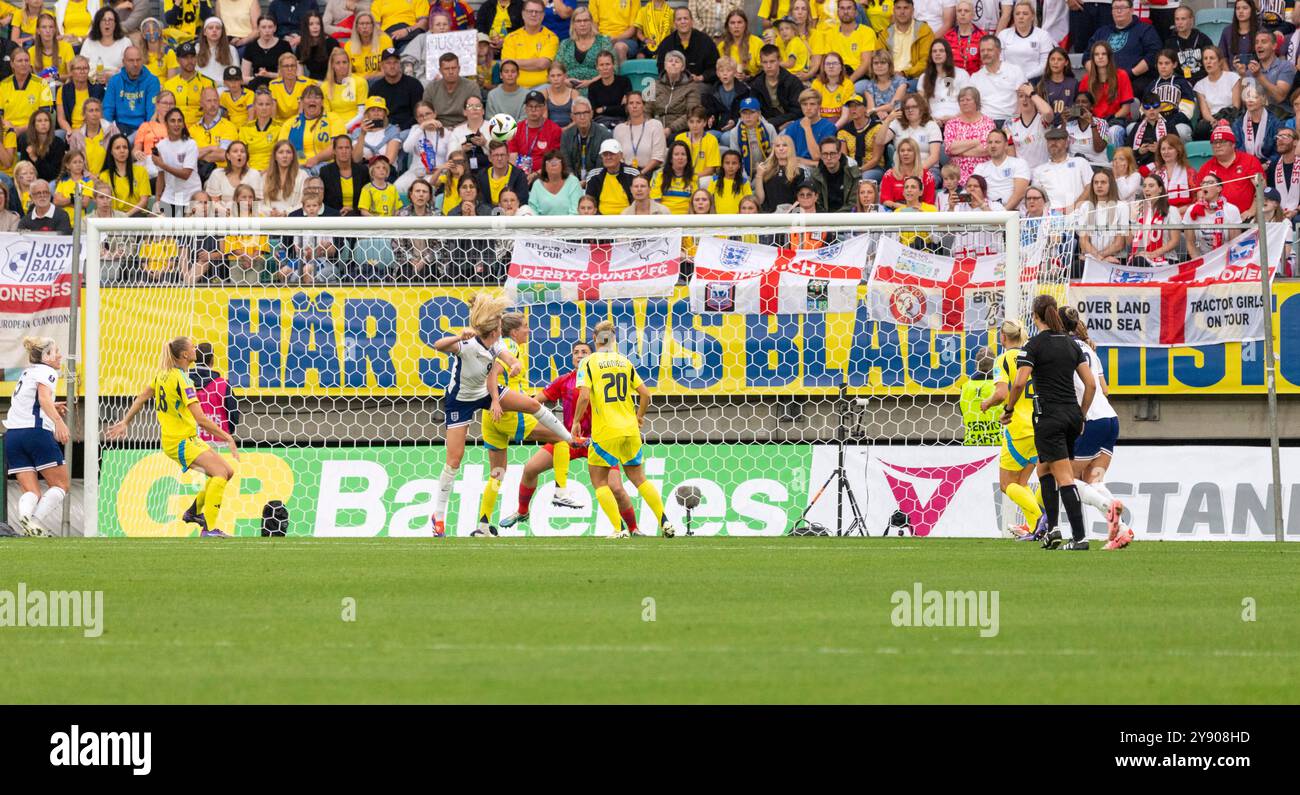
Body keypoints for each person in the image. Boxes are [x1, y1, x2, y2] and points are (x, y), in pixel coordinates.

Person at [429, 293, 571, 538]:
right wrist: (458, 336)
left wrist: (514, 366)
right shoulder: (468, 344)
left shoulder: (497, 344)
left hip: (485, 393)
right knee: (454, 459)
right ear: (494, 330)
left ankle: (570, 439)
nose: (501, 329)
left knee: (530, 404)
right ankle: (438, 517)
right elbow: (438, 345)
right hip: (460, 401)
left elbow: (509, 359)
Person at [105, 337, 239, 537]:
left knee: (227, 471)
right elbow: (200, 419)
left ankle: (193, 512)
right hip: (181, 442)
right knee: (219, 474)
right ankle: (209, 529)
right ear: (185, 354)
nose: (195, 349)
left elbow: (141, 398)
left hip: (186, 439)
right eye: (192, 346)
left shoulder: (162, 376)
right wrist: (227, 437)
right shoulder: (183, 380)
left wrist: (125, 421)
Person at [500, 340, 638, 531]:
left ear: (592, 357)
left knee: (616, 488)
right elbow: (535, 401)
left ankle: (633, 529)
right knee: (530, 468)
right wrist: (512, 405)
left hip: (598, 441)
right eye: (576, 352)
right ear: (572, 358)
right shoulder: (564, 381)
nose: (579, 355)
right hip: (567, 440)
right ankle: (522, 512)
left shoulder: (601, 380)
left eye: (584, 352)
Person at [1001, 294, 1095, 551]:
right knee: (1044, 469)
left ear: (1035, 316)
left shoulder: (1034, 346)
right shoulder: (1071, 344)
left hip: (1048, 417)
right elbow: (1091, 384)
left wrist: (1009, 409)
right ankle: (1052, 528)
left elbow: (1019, 382)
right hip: (1072, 416)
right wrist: (1082, 414)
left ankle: (1079, 538)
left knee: (1063, 476)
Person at [571, 320, 678, 539]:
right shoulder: (624, 361)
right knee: (640, 479)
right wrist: (639, 417)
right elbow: (646, 394)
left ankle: (618, 529)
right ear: (614, 339)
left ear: (594, 338)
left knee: (599, 481)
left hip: (606, 431)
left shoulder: (588, 363)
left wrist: (575, 422)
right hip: (630, 429)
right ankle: (664, 521)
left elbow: (583, 396)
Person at [1059, 306, 1133, 550]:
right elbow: (1106, 388)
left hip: (1089, 419)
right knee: (1093, 479)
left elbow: (1084, 386)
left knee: (1065, 478)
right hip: (1110, 419)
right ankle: (1121, 529)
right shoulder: (1089, 349)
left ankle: (1106, 507)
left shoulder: (1064, 348)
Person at [976, 321, 1039, 540]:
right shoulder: (1033, 356)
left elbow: (1002, 393)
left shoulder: (1003, 359)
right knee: (1021, 484)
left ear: (1003, 337)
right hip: (1040, 425)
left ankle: (1041, 519)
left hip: (1018, 427)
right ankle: (1036, 529)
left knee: (1007, 484)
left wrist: (987, 402)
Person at [2, 336, 71, 537]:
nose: (59, 355)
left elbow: (32, 400)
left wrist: (51, 404)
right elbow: (42, 398)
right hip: (36, 433)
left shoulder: (26, 373)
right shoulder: (47, 371)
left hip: (13, 435)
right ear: (46, 356)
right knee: (61, 485)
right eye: (56, 351)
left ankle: (27, 522)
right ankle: (35, 522)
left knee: (32, 492)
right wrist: (58, 421)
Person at [1087, 0, 1161, 96]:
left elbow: (1153, 55)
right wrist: (1098, 75)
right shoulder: (1102, 32)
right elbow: (1087, 56)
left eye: (1122, 8)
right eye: (1115, 8)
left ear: (1131, 10)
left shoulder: (1145, 30)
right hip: (1103, 79)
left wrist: (1130, 73)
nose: (1118, 11)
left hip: (1134, 79)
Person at [1199, 122, 1263, 219]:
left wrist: (1252, 210)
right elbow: (1200, 192)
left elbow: (1261, 187)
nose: (1218, 145)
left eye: (1222, 141)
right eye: (1214, 142)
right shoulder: (1206, 167)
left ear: (1233, 144)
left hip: (1245, 217)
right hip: (1215, 218)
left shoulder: (1249, 161)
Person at [810, 0, 876, 92]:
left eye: (849, 8)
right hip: (835, 76)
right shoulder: (830, 35)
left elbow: (866, 63)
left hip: (858, 77)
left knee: (855, 90)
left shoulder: (867, 32)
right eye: (842, 8)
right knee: (814, 90)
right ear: (837, 12)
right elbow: (827, 61)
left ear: (856, 12)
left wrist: (848, 82)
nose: (845, 12)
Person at [1076, 168, 1130, 264]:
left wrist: (1098, 257)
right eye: (1096, 183)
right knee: (1073, 269)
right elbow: (1083, 241)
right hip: (1091, 257)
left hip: (1114, 258)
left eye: (1103, 182)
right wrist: (1100, 259)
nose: (1099, 185)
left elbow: (1119, 243)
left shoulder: (1122, 206)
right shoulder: (1085, 206)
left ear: (1111, 185)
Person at [501, 0, 558, 89]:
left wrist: (514, 62)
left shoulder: (551, 37)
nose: (533, 14)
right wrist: (534, 63)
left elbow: (542, 64)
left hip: (542, 88)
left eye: (537, 12)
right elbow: (507, 65)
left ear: (543, 15)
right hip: (515, 87)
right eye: (530, 11)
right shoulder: (511, 37)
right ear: (523, 14)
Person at [1032, 125, 1091, 212]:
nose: (1053, 143)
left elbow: (1089, 187)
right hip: (1052, 216)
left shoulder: (1080, 162)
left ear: (1067, 143)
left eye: (1058, 140)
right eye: (1050, 140)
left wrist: (1073, 207)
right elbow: (1037, 196)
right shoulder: (1039, 170)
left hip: (1079, 211)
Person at [943, 85, 994, 183]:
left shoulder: (988, 122)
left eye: (968, 99)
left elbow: (986, 149)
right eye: (961, 100)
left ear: (976, 102)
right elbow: (949, 148)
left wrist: (959, 151)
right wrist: (975, 142)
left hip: (984, 173)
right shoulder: (952, 123)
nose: (964, 103)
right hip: (957, 175)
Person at [968, 35, 1024, 123]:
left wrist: (1016, 121)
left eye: (989, 50)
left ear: (999, 51)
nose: (985, 53)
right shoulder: (975, 77)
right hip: (985, 122)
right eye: (982, 50)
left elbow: (1023, 98)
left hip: (1011, 120)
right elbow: (972, 105)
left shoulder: (1015, 70)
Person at [1128, 172, 1181, 266]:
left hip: (1166, 259)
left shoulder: (1172, 210)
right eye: (1144, 186)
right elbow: (1129, 241)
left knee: (1139, 262)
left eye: (1151, 186)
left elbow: (1175, 241)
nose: (1146, 189)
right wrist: (1132, 220)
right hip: (1141, 259)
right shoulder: (1139, 212)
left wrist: (1152, 254)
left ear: (1160, 189)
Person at [367, 47, 422, 131]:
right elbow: (372, 114)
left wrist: (401, 127)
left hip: (409, 129)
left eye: (395, 62)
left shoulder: (414, 84)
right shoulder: (376, 88)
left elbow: (419, 113)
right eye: (388, 63)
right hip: (383, 129)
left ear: (400, 64)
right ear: (381, 65)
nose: (392, 66)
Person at [0, 50, 54, 136]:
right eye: (20, 61)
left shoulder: (42, 83)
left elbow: (45, 114)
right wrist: (8, 127)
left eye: (26, 60)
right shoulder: (3, 85)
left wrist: (20, 130)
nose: (24, 64)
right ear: (12, 64)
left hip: (33, 130)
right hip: (7, 129)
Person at [751, 44, 805, 129]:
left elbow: (798, 111)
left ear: (779, 61)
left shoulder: (793, 82)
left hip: (790, 123)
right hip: (765, 125)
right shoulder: (757, 84)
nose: (768, 66)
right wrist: (773, 125)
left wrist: (775, 123)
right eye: (765, 62)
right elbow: (754, 110)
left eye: (772, 61)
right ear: (761, 63)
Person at [972, 127, 1028, 209]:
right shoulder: (980, 167)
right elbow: (974, 192)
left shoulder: (1019, 163)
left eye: (997, 142)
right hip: (987, 212)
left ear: (1006, 145)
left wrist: (1002, 214)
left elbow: (1019, 194)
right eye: (990, 142)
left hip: (1012, 213)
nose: (993, 145)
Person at [996, 1, 1052, 83]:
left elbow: (1045, 64)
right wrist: (1011, 77)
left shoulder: (1043, 35)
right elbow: (999, 61)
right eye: (1017, 14)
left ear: (1032, 16)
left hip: (1035, 80)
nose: (1021, 17)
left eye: (1025, 14)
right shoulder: (1003, 34)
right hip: (1008, 79)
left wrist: (1024, 77)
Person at [657, 7, 718, 82]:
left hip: (699, 84)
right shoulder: (666, 44)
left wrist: (701, 77)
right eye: (679, 19)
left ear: (692, 21)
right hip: (674, 85)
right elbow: (661, 69)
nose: (683, 22)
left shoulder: (706, 42)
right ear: (674, 23)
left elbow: (714, 68)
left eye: (686, 18)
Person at [508, 89, 561, 174]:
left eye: (537, 106)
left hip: (545, 175)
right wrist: (518, 176)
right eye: (530, 106)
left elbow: (553, 160)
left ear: (544, 108)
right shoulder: (516, 129)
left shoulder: (554, 129)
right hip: (520, 174)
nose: (533, 110)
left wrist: (536, 174)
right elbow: (512, 156)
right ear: (525, 108)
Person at [723, 95, 777, 178]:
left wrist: (765, 171)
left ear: (759, 113)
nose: (748, 117)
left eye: (752, 112)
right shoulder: (735, 132)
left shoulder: (769, 129)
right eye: (744, 113)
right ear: (740, 115)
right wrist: (744, 177)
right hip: (743, 171)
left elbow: (775, 154)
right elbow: (735, 158)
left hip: (767, 170)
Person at [613, 91, 666, 176]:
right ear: (626, 107)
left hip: (649, 172)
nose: (634, 106)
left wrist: (640, 174)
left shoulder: (655, 125)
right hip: (626, 174)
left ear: (643, 106)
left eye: (638, 103)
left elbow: (658, 157)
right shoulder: (619, 129)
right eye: (631, 103)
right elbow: (618, 157)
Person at [781, 87, 836, 167]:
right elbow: (785, 156)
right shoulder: (792, 127)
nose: (808, 108)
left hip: (818, 171)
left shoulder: (829, 127)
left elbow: (817, 156)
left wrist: (807, 128)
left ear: (819, 106)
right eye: (804, 104)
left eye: (812, 104)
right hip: (795, 168)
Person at [422, 53, 478, 131]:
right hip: (438, 128)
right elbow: (425, 113)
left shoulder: (471, 86)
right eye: (446, 69)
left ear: (459, 68)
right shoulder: (431, 88)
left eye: (454, 68)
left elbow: (476, 112)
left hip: (465, 127)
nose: (451, 72)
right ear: (440, 70)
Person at [881, 0, 934, 82]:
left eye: (906, 8)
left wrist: (904, 73)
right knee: (860, 87)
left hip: (914, 78)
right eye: (898, 8)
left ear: (913, 10)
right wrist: (888, 73)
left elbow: (926, 60)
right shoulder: (886, 33)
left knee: (901, 89)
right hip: (888, 77)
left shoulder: (924, 30)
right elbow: (878, 58)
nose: (902, 12)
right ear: (893, 10)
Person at [919, 37, 969, 124]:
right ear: (931, 55)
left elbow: (968, 101)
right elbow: (923, 104)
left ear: (948, 54)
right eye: (934, 51)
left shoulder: (962, 74)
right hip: (933, 121)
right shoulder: (924, 77)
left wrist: (955, 118)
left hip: (959, 120)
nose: (937, 54)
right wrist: (931, 119)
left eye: (941, 51)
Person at [557, 7, 611, 85]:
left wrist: (590, 82)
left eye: (586, 20)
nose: (582, 24)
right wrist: (565, 81)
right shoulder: (565, 44)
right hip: (568, 88)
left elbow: (613, 69)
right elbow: (556, 69)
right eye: (578, 21)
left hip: (597, 87)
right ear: (573, 24)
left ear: (591, 23)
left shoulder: (603, 42)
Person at [81, 7, 132, 80]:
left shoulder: (125, 42)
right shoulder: (89, 42)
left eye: (110, 20)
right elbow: (81, 67)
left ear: (115, 24)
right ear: (98, 24)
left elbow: (131, 69)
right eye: (103, 20)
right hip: (93, 84)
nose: (107, 23)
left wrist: (113, 76)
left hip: (118, 83)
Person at [1232, 85, 1279, 164]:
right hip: (1245, 165)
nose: (1250, 100)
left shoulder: (1275, 123)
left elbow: (1278, 151)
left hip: (1269, 165)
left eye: (1255, 97)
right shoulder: (1238, 124)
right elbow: (1235, 149)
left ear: (1263, 99)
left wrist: (1267, 164)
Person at [529, 149, 582, 214]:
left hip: (570, 223)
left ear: (562, 165)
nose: (553, 164)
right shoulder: (537, 185)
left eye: (556, 161)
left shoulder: (573, 182)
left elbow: (576, 211)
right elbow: (533, 211)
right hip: (543, 224)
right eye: (549, 161)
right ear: (544, 166)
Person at [945, 0, 988, 75]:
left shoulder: (982, 36)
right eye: (959, 11)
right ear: (956, 15)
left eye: (966, 11)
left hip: (975, 80)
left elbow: (985, 63)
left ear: (973, 15)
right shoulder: (948, 36)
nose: (962, 13)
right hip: (953, 78)